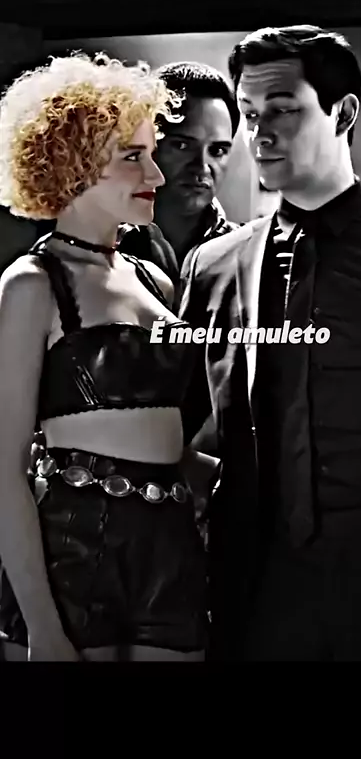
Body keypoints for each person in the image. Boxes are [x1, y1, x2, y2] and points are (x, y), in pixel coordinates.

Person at [180, 24, 361, 662]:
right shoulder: (213, 268)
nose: (259, 134)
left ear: (343, 113)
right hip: (259, 598)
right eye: (250, 114)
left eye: (283, 110)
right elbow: (175, 427)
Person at [0, 52, 208, 662]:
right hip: (73, 550)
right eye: (133, 157)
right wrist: (42, 626)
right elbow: (3, 470)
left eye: (152, 153)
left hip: (171, 544)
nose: (158, 175)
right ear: (73, 161)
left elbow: (166, 435)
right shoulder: (33, 283)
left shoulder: (155, 279)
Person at [119, 61, 240, 296]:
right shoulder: (99, 246)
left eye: (217, 150)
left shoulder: (251, 254)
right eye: (183, 145)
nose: (202, 167)